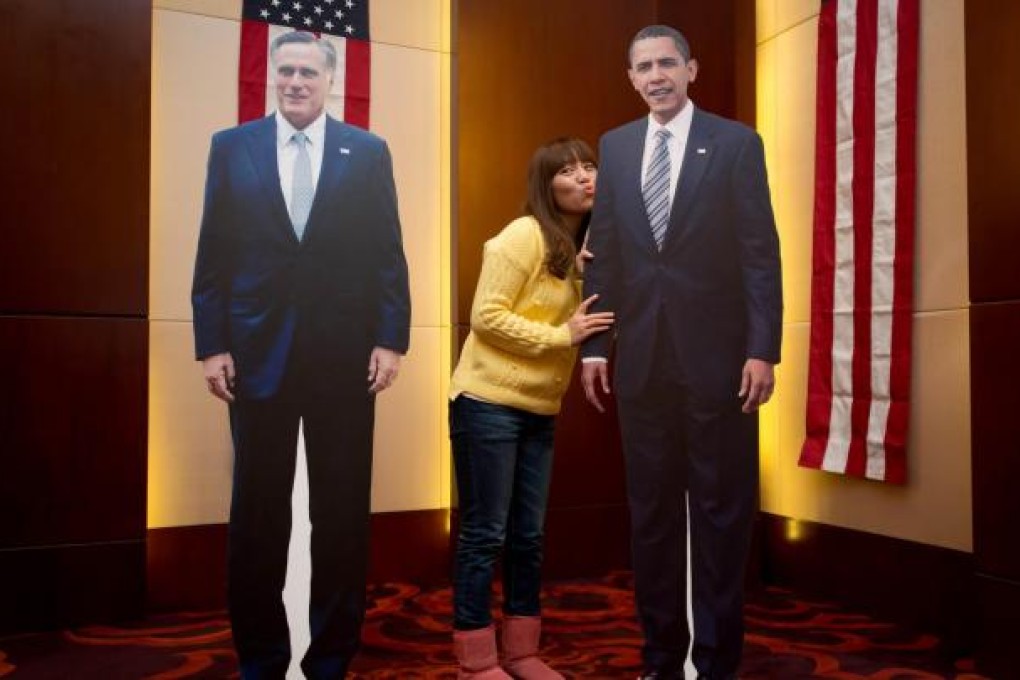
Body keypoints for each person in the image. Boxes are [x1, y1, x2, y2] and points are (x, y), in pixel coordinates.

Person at [191, 31, 411, 680]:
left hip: (346, 359)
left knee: (340, 515)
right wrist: (212, 346)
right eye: (284, 71)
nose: (293, 81)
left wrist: (390, 338)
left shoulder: (367, 152)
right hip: (254, 357)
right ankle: (261, 657)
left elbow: (387, 255)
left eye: (307, 73)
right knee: (256, 516)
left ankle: (331, 658)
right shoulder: (232, 148)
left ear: (329, 80)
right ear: (272, 77)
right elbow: (213, 256)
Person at [580, 25, 783, 680]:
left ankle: (717, 662)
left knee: (722, 517)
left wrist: (762, 348)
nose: (656, 75)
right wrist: (593, 350)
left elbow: (760, 255)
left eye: (668, 62)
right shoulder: (615, 146)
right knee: (654, 517)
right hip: (641, 362)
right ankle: (661, 659)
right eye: (643, 66)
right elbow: (604, 251)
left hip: (720, 364)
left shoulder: (734, 143)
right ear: (631, 77)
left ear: (691, 69)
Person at [448, 138, 614, 679]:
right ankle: (476, 662)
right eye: (568, 170)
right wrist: (561, 336)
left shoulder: (576, 249)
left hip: (540, 409)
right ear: (547, 186)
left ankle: (521, 653)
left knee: (528, 535)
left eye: (589, 166)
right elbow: (486, 317)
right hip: (487, 403)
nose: (584, 177)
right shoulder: (523, 236)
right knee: (485, 534)